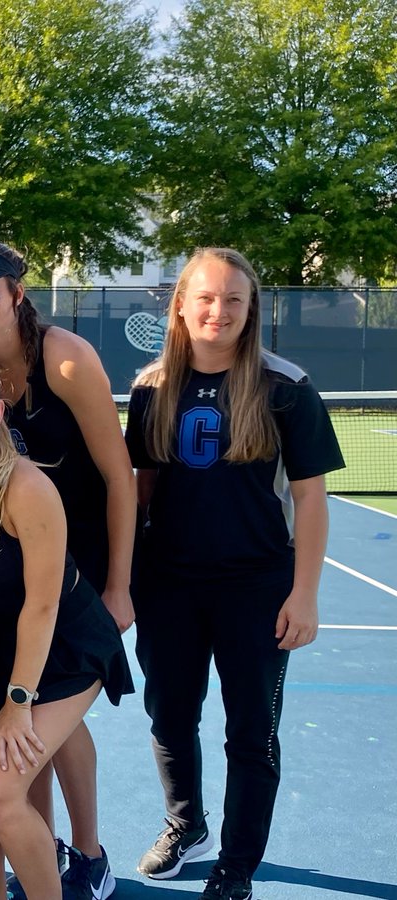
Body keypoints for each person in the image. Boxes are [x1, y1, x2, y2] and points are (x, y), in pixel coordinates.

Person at [125, 249, 343, 900]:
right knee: (169, 715)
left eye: (234, 300)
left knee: (251, 731)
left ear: (251, 311)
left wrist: (304, 595)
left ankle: (237, 864)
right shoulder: (151, 387)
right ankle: (186, 826)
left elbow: (310, 499)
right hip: (170, 585)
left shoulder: (287, 387)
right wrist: (124, 581)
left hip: (256, 587)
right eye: (207, 298)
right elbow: (140, 490)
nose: (219, 311)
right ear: (182, 305)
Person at [0, 240, 136, 898]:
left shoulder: (66, 359)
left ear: (17, 295)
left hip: (78, 566)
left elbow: (119, 476)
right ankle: (48, 848)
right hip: (14, 574)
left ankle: (88, 853)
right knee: (43, 719)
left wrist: (118, 584)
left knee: (52, 710)